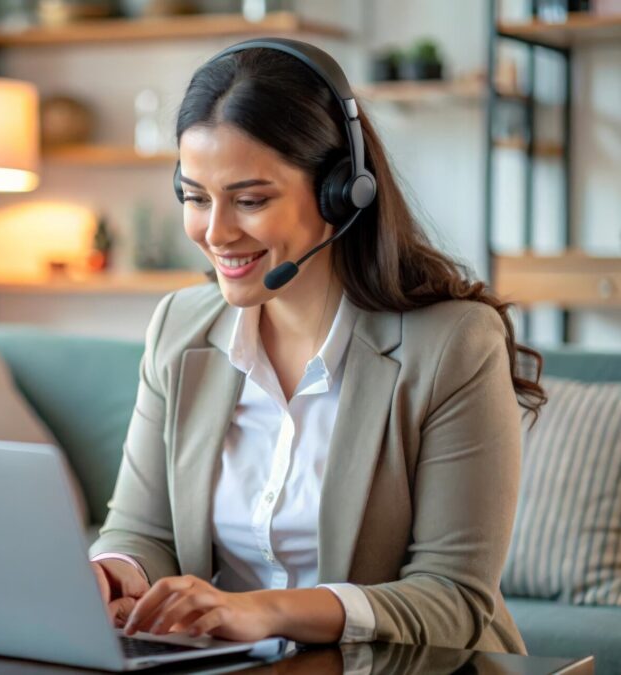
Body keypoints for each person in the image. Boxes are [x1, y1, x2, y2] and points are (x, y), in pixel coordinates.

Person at [87, 39, 545, 654]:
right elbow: (142, 528)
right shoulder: (179, 327)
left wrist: (264, 611)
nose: (216, 233)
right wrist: (115, 572)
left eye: (250, 200)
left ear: (341, 192)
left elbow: (453, 597)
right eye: (196, 198)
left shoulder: (454, 345)